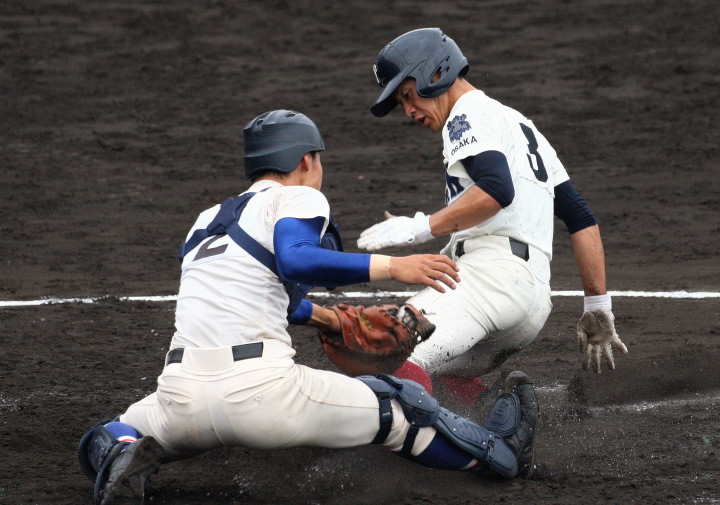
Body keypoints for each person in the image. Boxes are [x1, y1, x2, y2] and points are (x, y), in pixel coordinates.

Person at [77, 109, 541, 505]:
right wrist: (393, 267)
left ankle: (119, 456)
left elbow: (263, 298)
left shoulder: (206, 221)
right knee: (399, 407)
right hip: (262, 399)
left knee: (110, 431)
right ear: (305, 160)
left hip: (178, 402)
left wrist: (326, 317)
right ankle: (500, 453)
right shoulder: (296, 195)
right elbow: (295, 258)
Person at [358, 28, 628, 407]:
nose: (408, 111)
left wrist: (419, 227)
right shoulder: (519, 124)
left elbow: (496, 191)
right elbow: (580, 218)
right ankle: (498, 420)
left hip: (489, 282)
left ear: (435, 73)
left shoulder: (465, 114)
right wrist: (597, 307)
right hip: (530, 302)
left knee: (387, 354)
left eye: (408, 94)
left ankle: (450, 442)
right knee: (440, 372)